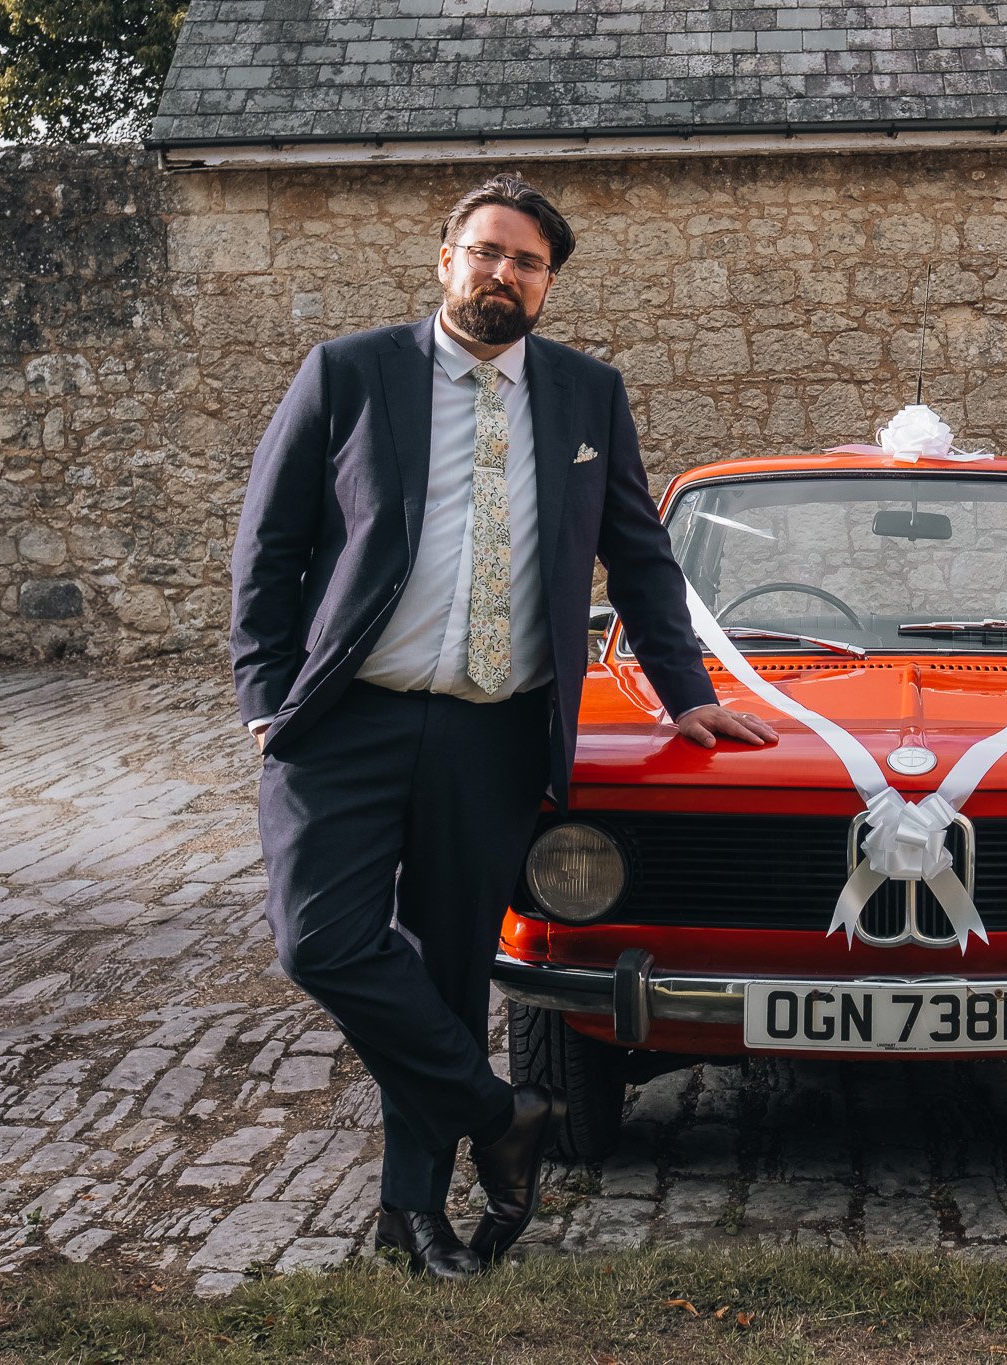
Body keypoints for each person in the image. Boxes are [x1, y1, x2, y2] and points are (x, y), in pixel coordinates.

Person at [229, 173, 777, 1278]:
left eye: (527, 263)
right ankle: (499, 1111)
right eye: (486, 252)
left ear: (548, 285)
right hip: (347, 719)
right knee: (319, 942)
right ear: (445, 260)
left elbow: (638, 552)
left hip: (494, 732)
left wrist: (686, 693)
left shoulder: (585, 393)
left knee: (443, 978)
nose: (503, 274)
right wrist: (264, 696)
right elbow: (268, 542)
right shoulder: (349, 373)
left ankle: (415, 1217)